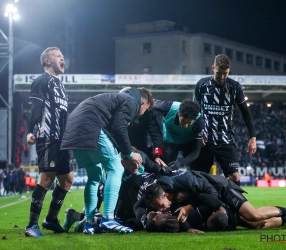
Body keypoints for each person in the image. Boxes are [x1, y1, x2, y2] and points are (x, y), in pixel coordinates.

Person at [60, 86, 154, 234]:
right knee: (116, 169)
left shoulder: (117, 99)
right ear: (143, 103)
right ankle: (108, 218)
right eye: (145, 110)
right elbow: (119, 127)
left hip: (73, 130)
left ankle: (90, 221)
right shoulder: (132, 102)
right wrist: (129, 153)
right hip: (91, 125)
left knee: (94, 175)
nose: (142, 114)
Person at [63, 146, 174, 233]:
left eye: (138, 163)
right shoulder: (113, 170)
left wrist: (169, 170)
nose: (136, 167)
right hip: (115, 194)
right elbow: (102, 189)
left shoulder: (141, 157)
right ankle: (85, 220)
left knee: (128, 219)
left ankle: (78, 216)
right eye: (132, 164)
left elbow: (156, 168)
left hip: (132, 191)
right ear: (122, 162)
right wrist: (94, 210)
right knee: (121, 220)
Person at [25, 47, 74, 237]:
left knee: (67, 179)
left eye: (63, 56)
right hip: (48, 137)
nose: (63, 59)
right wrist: (30, 130)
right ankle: (31, 225)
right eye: (58, 56)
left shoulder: (60, 85)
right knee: (46, 179)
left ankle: (51, 220)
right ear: (47, 61)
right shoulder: (41, 81)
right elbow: (36, 106)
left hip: (63, 140)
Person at [143, 170, 286, 228]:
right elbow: (148, 210)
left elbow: (213, 194)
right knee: (257, 224)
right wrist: (150, 216)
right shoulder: (163, 192)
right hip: (213, 203)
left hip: (223, 190)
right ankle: (285, 220)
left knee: (253, 215)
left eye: (161, 205)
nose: (161, 209)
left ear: (166, 194)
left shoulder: (188, 180)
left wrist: (189, 206)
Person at [194, 54, 257, 186]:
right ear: (213, 68)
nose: (222, 77)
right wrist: (199, 132)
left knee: (234, 176)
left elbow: (246, 112)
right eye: (219, 73)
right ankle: (196, 206)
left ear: (229, 70)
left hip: (226, 140)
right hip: (206, 140)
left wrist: (253, 137)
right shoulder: (202, 85)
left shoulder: (235, 87)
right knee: (197, 177)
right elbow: (194, 111)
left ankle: (235, 206)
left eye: (225, 73)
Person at [154, 99, 204, 169]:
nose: (185, 126)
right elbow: (150, 102)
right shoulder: (167, 106)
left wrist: (180, 163)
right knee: (165, 168)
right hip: (170, 141)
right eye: (183, 121)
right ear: (178, 113)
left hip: (188, 143)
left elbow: (196, 151)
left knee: (195, 168)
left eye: (189, 123)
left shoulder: (199, 122)